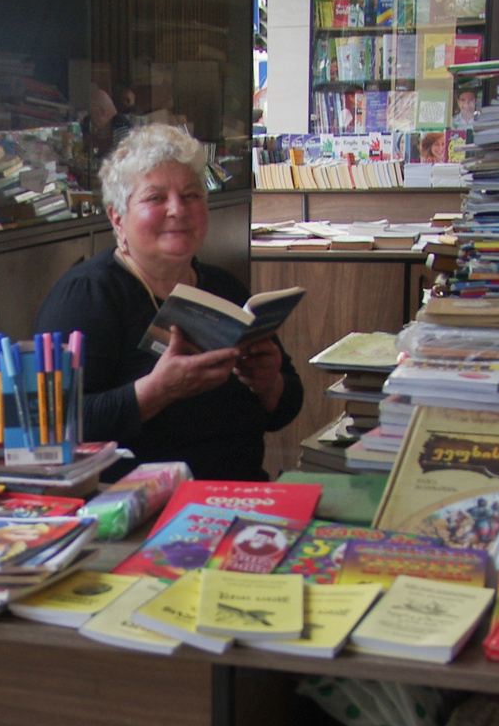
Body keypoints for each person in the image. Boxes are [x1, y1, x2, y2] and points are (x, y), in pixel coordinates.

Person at [33, 124, 303, 482]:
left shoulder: (225, 288)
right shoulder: (87, 296)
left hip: (242, 496)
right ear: (118, 218)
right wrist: (155, 392)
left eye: (191, 195)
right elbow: (49, 424)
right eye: (155, 198)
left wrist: (270, 384)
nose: (178, 209)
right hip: (135, 512)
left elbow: (285, 406)